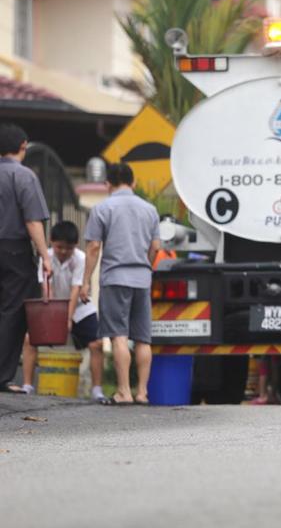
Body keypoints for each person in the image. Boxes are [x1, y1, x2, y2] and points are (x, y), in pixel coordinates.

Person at [81, 163, 160, 405]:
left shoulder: (103, 208)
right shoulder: (150, 209)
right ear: (133, 183)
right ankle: (142, 392)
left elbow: (94, 247)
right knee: (144, 339)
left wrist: (86, 281)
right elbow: (156, 247)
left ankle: (124, 391)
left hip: (115, 278)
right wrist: (144, 267)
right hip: (142, 279)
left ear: (107, 185)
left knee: (119, 336)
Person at [20, 221, 107, 402]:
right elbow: (46, 288)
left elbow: (76, 290)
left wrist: (67, 319)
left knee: (97, 344)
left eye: (68, 248)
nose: (63, 251)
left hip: (80, 309)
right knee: (29, 339)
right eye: (59, 247)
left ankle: (97, 389)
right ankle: (27, 385)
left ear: (75, 246)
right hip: (51, 307)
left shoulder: (81, 259)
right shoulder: (47, 257)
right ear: (51, 242)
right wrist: (55, 316)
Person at [0, 123, 51, 394]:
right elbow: (32, 221)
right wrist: (45, 255)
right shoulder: (23, 176)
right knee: (13, 313)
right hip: (14, 251)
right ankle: (2, 375)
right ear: (23, 146)